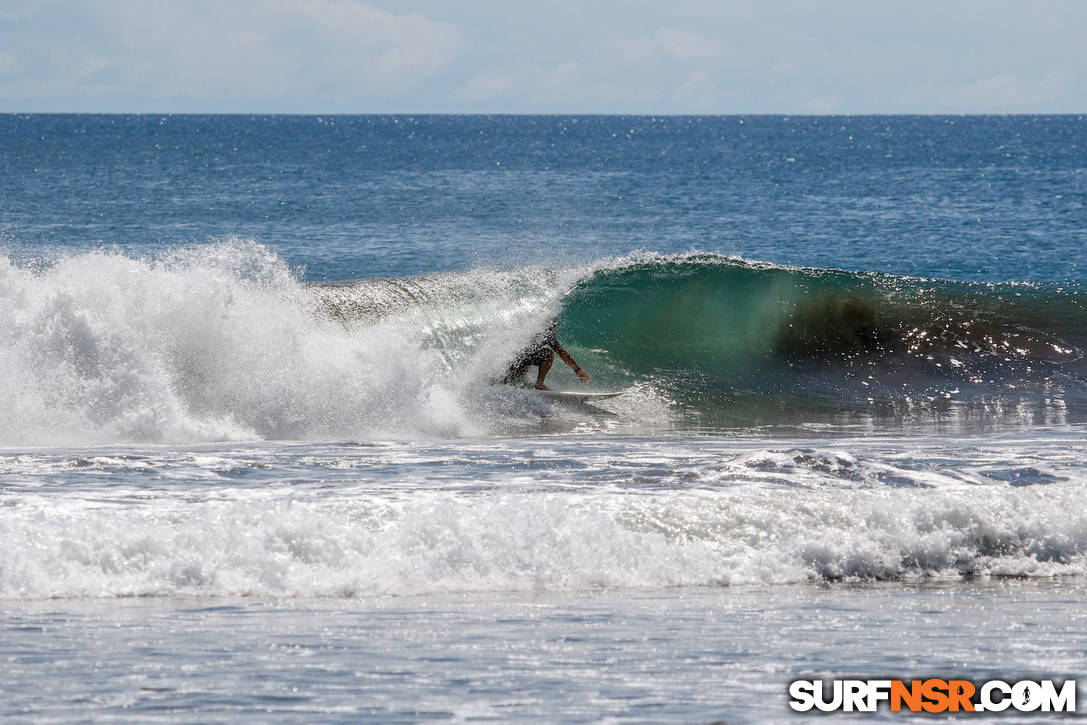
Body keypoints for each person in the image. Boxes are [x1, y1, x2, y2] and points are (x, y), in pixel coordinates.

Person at [502, 320, 590, 390]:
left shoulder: (530, 330)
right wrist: (577, 369)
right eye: (554, 325)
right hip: (517, 360)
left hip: (514, 360)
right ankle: (539, 385)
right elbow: (562, 352)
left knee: (510, 380)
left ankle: (499, 384)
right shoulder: (545, 334)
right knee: (548, 354)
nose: (555, 327)